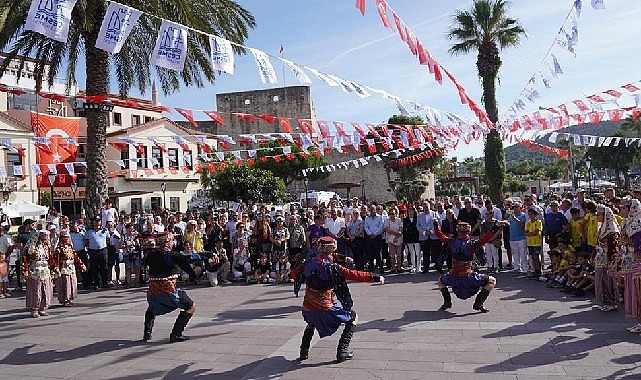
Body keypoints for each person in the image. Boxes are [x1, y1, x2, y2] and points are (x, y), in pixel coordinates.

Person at [291, 236, 385, 363]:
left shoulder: (308, 262)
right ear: (330, 248)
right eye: (333, 246)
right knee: (353, 317)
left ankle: (303, 352)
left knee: (311, 322)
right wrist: (375, 277)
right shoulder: (332, 267)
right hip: (324, 306)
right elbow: (354, 274)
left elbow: (293, 274)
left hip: (308, 306)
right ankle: (342, 352)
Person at [143, 232, 198, 343]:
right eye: (172, 240)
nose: (173, 243)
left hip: (153, 292)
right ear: (167, 242)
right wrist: (193, 275)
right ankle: (176, 334)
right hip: (168, 291)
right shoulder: (170, 255)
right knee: (191, 306)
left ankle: (147, 333)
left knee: (151, 308)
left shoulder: (150, 255)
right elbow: (185, 261)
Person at [438, 222, 496, 313]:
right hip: (468, 278)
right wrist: (496, 226)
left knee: (440, 281)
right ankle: (478, 303)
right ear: (469, 231)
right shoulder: (472, 244)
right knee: (492, 280)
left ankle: (447, 302)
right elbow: (486, 237)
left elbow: (440, 235)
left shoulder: (451, 242)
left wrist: (435, 225)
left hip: (453, 277)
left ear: (457, 231)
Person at [22, 230, 55, 317]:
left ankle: (42, 308)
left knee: (45, 290)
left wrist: (54, 268)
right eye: (43, 237)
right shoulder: (31, 246)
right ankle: (34, 309)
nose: (45, 239)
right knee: (36, 290)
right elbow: (25, 258)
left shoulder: (46, 247)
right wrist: (25, 270)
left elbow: (50, 258)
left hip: (45, 269)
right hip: (35, 270)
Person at [53, 230, 86, 306]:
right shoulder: (59, 248)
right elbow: (56, 259)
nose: (66, 239)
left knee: (72, 283)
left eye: (67, 237)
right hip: (64, 268)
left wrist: (81, 264)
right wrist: (56, 268)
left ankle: (70, 298)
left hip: (71, 267)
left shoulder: (70, 246)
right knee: (66, 284)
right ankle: (65, 299)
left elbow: (75, 256)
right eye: (65, 237)